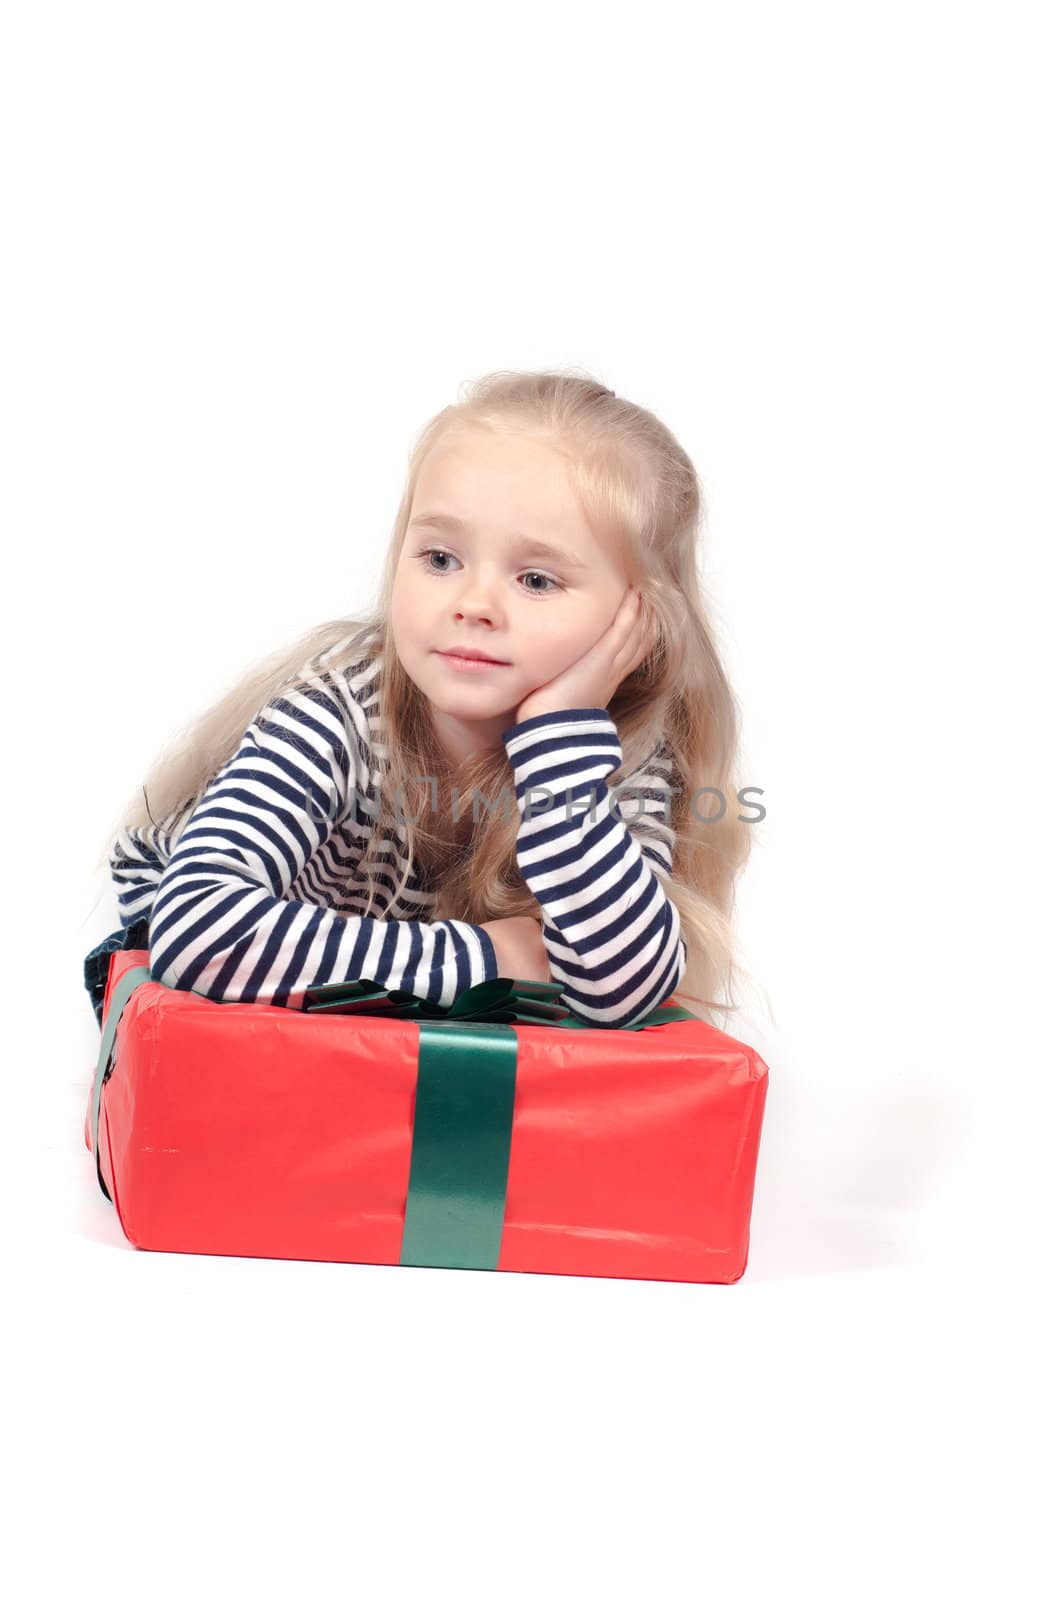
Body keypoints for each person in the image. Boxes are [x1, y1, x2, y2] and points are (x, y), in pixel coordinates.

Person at [84, 370, 755, 1030]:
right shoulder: (339, 711)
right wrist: (492, 956)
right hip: (235, 977)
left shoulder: (610, 753)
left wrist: (557, 740)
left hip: (390, 1002)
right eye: (439, 559)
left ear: (636, 619)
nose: (472, 604)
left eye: (536, 579)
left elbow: (622, 989)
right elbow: (199, 931)